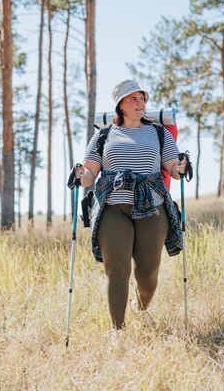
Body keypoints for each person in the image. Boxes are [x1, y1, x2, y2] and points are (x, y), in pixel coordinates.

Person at [73, 79, 187, 330]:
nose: (140, 103)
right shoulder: (103, 136)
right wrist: (81, 176)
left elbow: (172, 169)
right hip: (114, 207)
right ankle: (118, 331)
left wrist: (180, 167)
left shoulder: (159, 133)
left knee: (148, 275)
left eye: (142, 98)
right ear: (120, 106)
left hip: (152, 207)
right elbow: (90, 174)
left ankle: (141, 307)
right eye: (133, 99)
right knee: (118, 270)